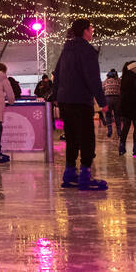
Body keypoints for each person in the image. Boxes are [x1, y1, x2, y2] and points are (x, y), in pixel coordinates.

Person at [53, 19, 108, 190]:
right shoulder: (87, 51)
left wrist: (56, 95)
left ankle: (69, 174)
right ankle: (85, 176)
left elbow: (57, 73)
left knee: (71, 137)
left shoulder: (66, 50)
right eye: (91, 29)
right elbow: (92, 78)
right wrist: (102, 101)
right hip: (81, 100)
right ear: (85, 31)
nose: (92, 32)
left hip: (65, 101)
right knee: (87, 138)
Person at [118, 62, 136, 157]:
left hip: (125, 107)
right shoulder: (133, 78)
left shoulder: (124, 78)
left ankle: (122, 146)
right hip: (133, 106)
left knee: (126, 127)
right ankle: (135, 149)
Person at [102, 69, 122, 139]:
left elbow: (102, 90)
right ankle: (119, 132)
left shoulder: (105, 81)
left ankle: (109, 130)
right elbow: (122, 89)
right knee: (117, 115)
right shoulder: (119, 81)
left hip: (107, 99)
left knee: (108, 115)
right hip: (117, 99)